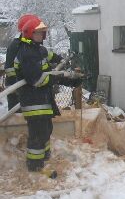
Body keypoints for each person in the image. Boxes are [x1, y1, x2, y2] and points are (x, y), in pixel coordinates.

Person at [14, 15, 81, 172]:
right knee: (37, 135)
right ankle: (35, 166)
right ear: (30, 33)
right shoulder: (27, 53)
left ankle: (44, 159)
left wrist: (69, 72)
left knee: (46, 131)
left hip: (42, 101)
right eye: (38, 33)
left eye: (43, 33)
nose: (42, 35)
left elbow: (52, 59)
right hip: (33, 102)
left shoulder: (39, 49)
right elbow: (37, 80)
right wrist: (62, 76)